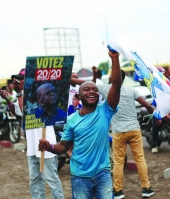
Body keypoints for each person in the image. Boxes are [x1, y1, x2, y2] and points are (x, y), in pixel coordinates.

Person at [39, 49, 122, 199]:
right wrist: (49, 146)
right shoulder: (71, 120)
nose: (92, 92)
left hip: (103, 173)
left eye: (95, 90)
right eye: (87, 89)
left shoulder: (105, 110)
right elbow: (63, 146)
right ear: (78, 95)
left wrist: (115, 59)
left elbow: (116, 85)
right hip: (80, 176)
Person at [0, 68, 64, 199]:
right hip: (32, 146)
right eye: (16, 80)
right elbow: (17, 112)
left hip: (47, 144)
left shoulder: (40, 94)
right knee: (35, 179)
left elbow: (27, 110)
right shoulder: (22, 96)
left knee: (52, 179)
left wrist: (18, 93)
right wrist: (8, 99)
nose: (16, 83)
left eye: (19, 80)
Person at [97, 69, 155, 198]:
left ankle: (118, 191)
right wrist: (157, 113)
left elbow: (89, 85)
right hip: (134, 129)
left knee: (118, 162)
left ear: (114, 78)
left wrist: (95, 76)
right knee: (140, 159)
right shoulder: (131, 90)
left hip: (118, 132)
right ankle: (146, 189)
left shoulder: (107, 89)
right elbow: (148, 106)